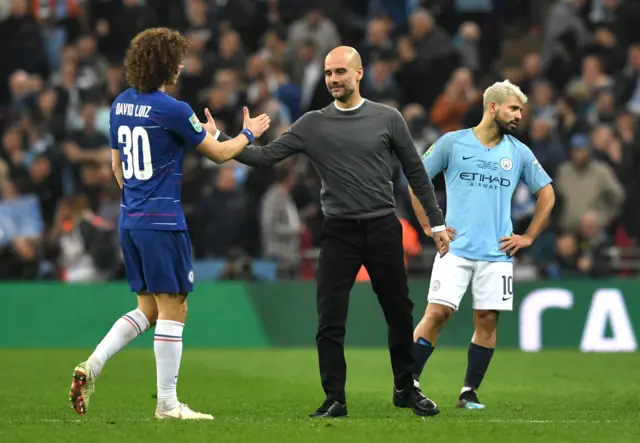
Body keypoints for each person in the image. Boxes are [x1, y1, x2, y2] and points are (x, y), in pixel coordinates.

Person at [213, 46, 450, 418]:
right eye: (328, 73)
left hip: (383, 227)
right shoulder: (311, 124)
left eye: (340, 71)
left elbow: (416, 173)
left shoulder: (388, 118)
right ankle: (334, 398)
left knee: (399, 313)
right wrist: (226, 138)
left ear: (359, 74)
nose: (333, 79)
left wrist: (435, 222)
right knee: (330, 318)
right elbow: (263, 157)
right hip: (339, 232)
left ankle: (406, 388)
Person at [68, 27, 270, 420]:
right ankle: (167, 403)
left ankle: (93, 364)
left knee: (149, 307)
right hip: (162, 222)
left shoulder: (120, 105)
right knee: (175, 308)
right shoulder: (173, 109)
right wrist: (249, 133)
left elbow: (117, 168)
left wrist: (140, 195)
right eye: (177, 59)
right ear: (166, 64)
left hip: (131, 219)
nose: (181, 65)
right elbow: (221, 154)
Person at [409, 80, 556, 410]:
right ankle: (409, 382)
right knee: (438, 314)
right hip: (455, 249)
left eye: (521, 109)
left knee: (487, 320)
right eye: (514, 108)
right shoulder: (452, 143)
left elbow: (547, 194)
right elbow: (415, 180)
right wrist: (430, 227)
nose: (519, 115)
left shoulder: (518, 152)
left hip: (497, 254)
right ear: (493, 107)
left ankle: (468, 392)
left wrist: (528, 235)